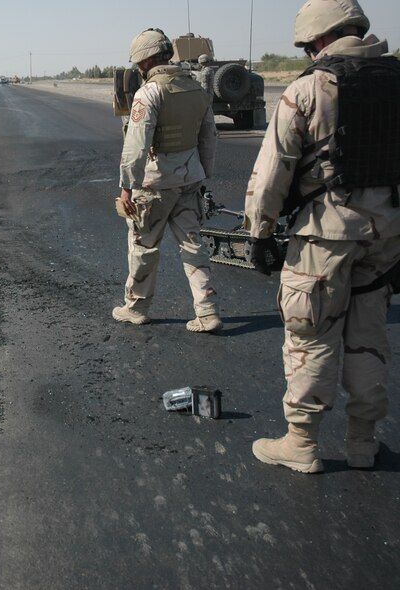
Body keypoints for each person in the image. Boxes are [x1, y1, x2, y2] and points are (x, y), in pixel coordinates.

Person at [246, 0, 400, 473]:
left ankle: (302, 443)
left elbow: (272, 172)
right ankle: (361, 442)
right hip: (388, 236)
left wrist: (261, 232)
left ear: (317, 40)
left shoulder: (310, 88)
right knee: (367, 334)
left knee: (310, 335)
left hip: (324, 239)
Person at [113, 28, 221, 332]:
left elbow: (135, 146)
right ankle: (207, 310)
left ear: (144, 62)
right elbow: (209, 137)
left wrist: (126, 188)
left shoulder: (149, 93)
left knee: (144, 246)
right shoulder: (197, 89)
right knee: (193, 245)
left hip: (155, 186)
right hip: (188, 182)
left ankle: (136, 308)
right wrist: (203, 174)